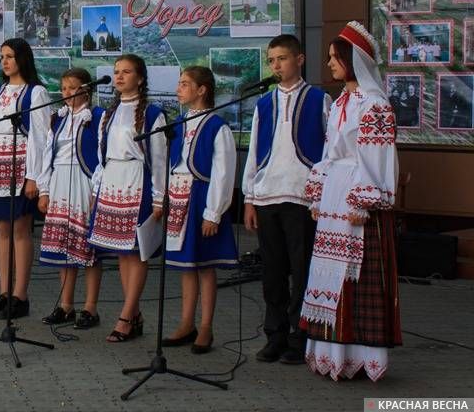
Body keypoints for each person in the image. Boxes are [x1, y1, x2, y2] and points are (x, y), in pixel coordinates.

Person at [300, 21, 401, 381]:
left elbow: (377, 155)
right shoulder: (342, 101)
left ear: (352, 60)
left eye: (333, 57)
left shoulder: (374, 105)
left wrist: (363, 199)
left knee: (357, 276)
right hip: (335, 194)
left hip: (357, 196)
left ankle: (360, 353)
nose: (329, 64)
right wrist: (319, 188)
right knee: (331, 275)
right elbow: (330, 152)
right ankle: (332, 353)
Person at [242, 35, 331, 365]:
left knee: (302, 270)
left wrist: (323, 194)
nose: (276, 65)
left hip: (302, 198)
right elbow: (253, 153)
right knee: (273, 272)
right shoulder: (264, 104)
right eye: (272, 60)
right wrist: (249, 198)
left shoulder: (320, 99)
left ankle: (299, 337)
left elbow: (331, 151)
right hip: (268, 196)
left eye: (282, 58)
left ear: (300, 60)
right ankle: (274, 334)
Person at [86, 54, 168, 342]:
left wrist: (159, 197)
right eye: (116, 72)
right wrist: (96, 191)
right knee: (123, 252)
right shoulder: (108, 113)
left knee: (137, 251)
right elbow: (101, 157)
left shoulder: (152, 114)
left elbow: (159, 159)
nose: (119, 77)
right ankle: (133, 315)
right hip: (112, 182)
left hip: (137, 182)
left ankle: (126, 315)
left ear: (140, 78)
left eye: (126, 72)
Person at [0, 38, 51, 319]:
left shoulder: (36, 92)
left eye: (10, 57)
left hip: (20, 165)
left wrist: (33, 177)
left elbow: (40, 139)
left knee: (20, 231)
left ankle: (20, 295)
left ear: (22, 59)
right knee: (1, 232)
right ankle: (4, 293)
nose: (4, 62)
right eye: (2, 56)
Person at [163, 66, 239, 354]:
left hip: (202, 197)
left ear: (202, 89)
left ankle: (206, 325)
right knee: (186, 266)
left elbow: (223, 172)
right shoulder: (179, 124)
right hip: (180, 196)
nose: (178, 89)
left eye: (184, 84)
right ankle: (186, 322)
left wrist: (213, 212)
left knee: (205, 266)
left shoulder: (216, 127)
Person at [36, 68, 106, 330]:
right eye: (63, 88)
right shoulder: (59, 119)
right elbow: (47, 154)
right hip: (60, 183)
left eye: (72, 87)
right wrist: (44, 190)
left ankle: (90, 307)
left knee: (88, 250)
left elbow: (102, 156)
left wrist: (96, 191)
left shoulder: (97, 117)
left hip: (83, 180)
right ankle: (66, 304)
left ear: (86, 89)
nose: (66, 93)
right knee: (63, 247)